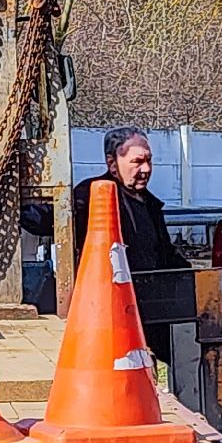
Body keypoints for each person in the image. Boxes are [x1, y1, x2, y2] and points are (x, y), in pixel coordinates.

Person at [74, 127, 190, 364]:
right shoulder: (91, 196)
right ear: (112, 163)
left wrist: (198, 278)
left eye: (149, 161)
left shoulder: (149, 204)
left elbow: (165, 254)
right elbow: (51, 221)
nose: (146, 169)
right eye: (137, 162)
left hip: (154, 311)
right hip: (111, 313)